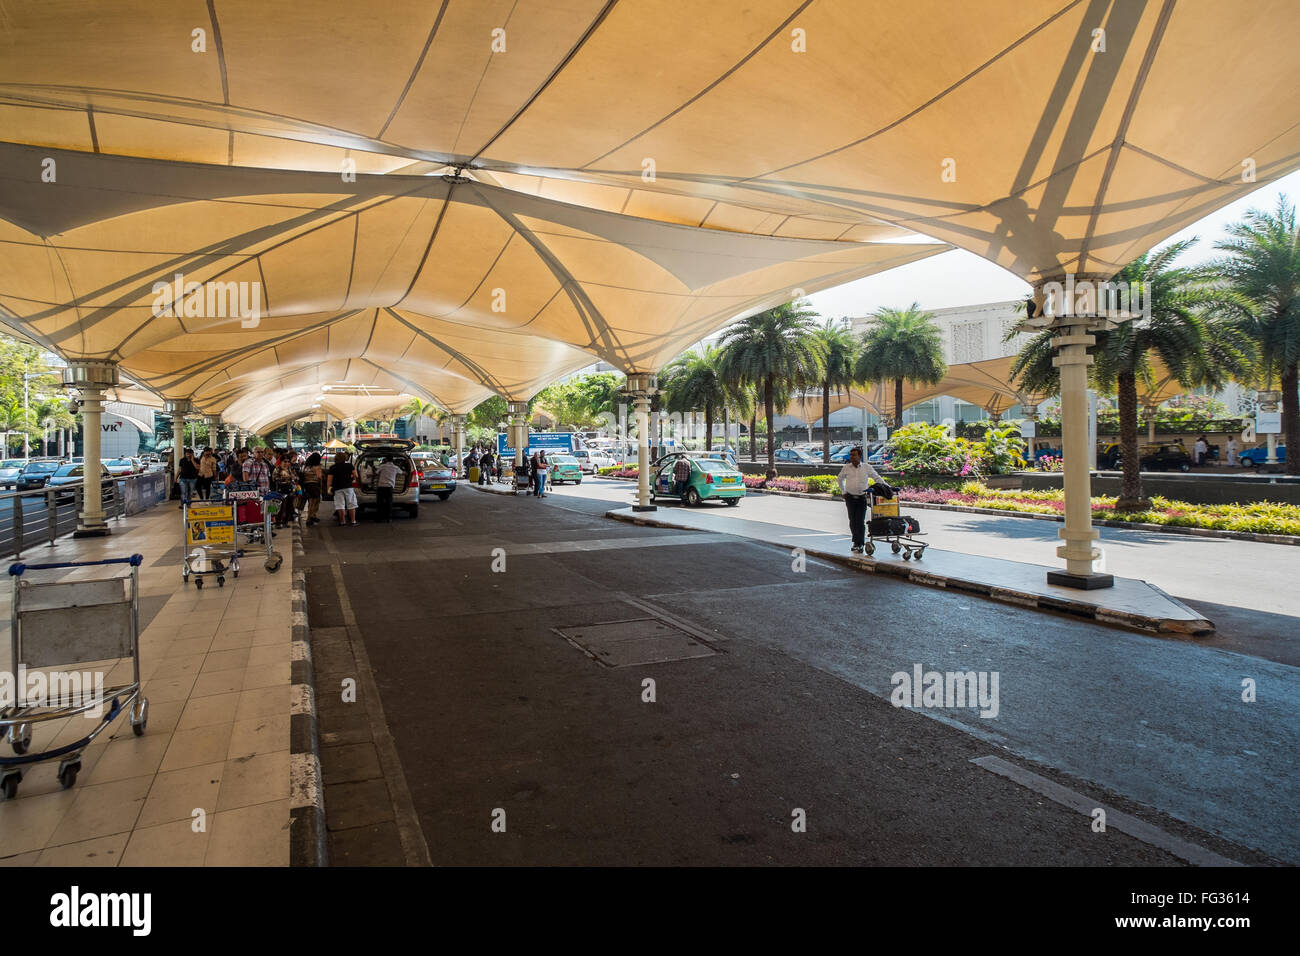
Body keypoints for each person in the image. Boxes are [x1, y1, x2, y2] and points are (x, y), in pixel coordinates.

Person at [836, 445, 885, 554]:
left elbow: (876, 477)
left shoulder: (866, 467)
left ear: (859, 456)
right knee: (853, 521)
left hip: (862, 498)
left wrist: (887, 487)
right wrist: (843, 492)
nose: (851, 457)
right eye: (851, 455)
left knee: (860, 521)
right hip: (850, 498)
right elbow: (839, 479)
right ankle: (856, 542)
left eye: (854, 455)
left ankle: (860, 544)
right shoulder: (846, 467)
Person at [327, 451, 358, 526]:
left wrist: (328, 488)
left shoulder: (332, 467)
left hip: (337, 488)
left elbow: (329, 480)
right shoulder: (349, 466)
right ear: (345, 458)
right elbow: (356, 475)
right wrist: (351, 477)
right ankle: (353, 521)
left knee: (340, 505)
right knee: (351, 504)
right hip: (348, 487)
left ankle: (342, 522)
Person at [272, 450, 298, 528]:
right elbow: (275, 479)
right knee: (280, 507)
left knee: (289, 507)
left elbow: (296, 478)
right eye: (285, 461)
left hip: (290, 490)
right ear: (281, 461)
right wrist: (286, 479)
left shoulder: (290, 469)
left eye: (288, 462)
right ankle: (278, 522)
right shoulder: (277, 469)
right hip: (280, 491)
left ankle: (285, 522)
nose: (286, 463)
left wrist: (292, 478)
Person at [374, 455, 400, 522]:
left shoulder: (382, 466)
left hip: (381, 487)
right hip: (389, 487)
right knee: (389, 503)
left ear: (386, 460)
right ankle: (389, 518)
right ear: (393, 460)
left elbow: (376, 473)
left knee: (380, 503)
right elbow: (402, 473)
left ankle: (379, 518)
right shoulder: (396, 467)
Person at [301, 453, 324, 524]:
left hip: (306, 486)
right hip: (314, 486)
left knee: (310, 502)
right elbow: (319, 477)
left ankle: (312, 516)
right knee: (313, 503)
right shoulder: (317, 467)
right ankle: (309, 519)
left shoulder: (305, 467)